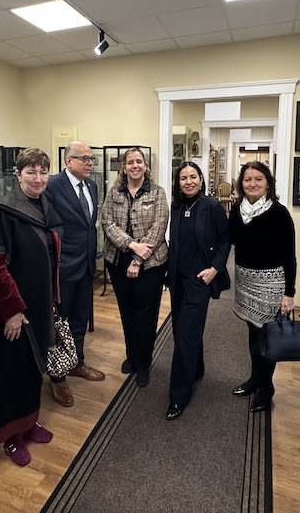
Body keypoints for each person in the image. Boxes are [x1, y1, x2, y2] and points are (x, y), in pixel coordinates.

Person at [0, 148, 63, 467]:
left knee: (32, 368)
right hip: (12, 311)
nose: (38, 178)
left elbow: (49, 259)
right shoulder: (2, 213)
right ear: (17, 174)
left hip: (38, 305)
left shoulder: (45, 206)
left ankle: (27, 424)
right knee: (9, 372)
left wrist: (51, 300)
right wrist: (12, 310)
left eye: (43, 171)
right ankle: (9, 435)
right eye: (31, 172)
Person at [229, 161, 296, 413]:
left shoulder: (279, 213)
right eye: (247, 179)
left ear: (268, 183)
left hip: (271, 285)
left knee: (266, 338)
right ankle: (255, 379)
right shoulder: (237, 211)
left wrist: (289, 293)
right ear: (241, 184)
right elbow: (230, 240)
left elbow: (290, 255)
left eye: (258, 179)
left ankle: (266, 388)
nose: (252, 184)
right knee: (253, 332)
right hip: (245, 282)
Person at [165, 161, 230, 420]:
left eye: (193, 177)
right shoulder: (176, 206)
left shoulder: (211, 206)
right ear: (178, 183)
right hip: (177, 279)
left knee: (187, 334)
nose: (188, 182)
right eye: (183, 178)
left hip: (199, 280)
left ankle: (178, 396)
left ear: (201, 180)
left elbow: (225, 240)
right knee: (181, 329)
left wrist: (215, 268)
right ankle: (196, 369)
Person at [100, 147, 169, 388]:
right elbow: (107, 222)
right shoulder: (114, 193)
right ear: (124, 167)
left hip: (151, 263)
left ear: (145, 165)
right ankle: (131, 355)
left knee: (145, 314)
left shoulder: (157, 193)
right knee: (126, 310)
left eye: (139, 161)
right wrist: (130, 244)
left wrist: (138, 259)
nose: (135, 166)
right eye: (130, 162)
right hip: (118, 261)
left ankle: (143, 362)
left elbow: (159, 227)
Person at [44, 141, 105, 407]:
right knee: (60, 322)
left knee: (81, 317)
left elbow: (88, 226)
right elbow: (48, 226)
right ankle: (57, 377)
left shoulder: (92, 185)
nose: (90, 163)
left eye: (92, 159)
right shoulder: (52, 185)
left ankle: (76, 362)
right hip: (64, 266)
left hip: (87, 264)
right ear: (69, 161)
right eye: (84, 159)